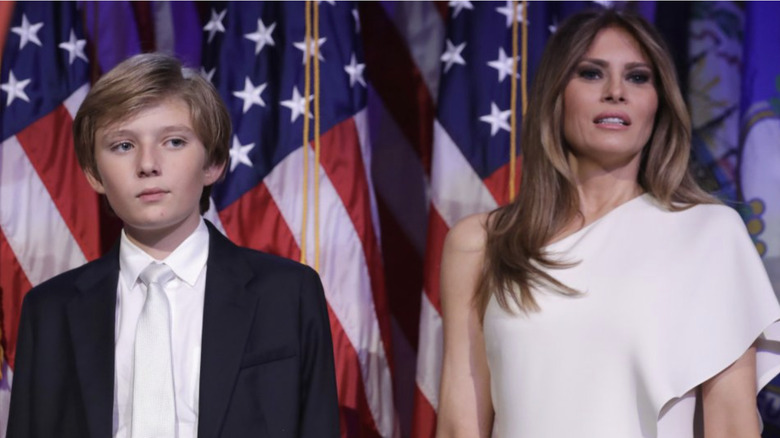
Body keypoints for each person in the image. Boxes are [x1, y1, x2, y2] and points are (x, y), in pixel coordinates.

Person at [436, 9, 780, 438]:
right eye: (591, 73)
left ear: (659, 103)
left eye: (637, 77)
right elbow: (459, 424)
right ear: (556, 95)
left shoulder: (710, 235)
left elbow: (731, 426)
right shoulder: (480, 243)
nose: (616, 92)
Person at [7, 53, 340, 438]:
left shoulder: (287, 293)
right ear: (93, 173)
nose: (148, 164)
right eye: (123, 146)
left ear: (213, 162)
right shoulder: (49, 310)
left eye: (174, 141)